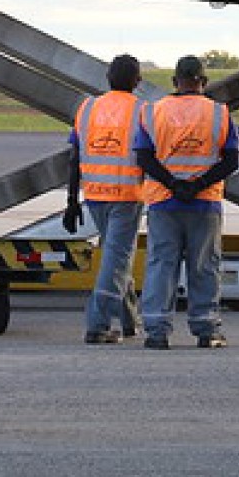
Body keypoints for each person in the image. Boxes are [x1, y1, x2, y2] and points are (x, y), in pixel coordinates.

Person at [133, 55, 239, 351]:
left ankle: (156, 331)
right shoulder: (219, 113)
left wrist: (173, 184)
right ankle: (206, 329)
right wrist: (198, 185)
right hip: (204, 203)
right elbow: (231, 160)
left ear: (174, 82)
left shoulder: (152, 112)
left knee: (160, 264)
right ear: (203, 82)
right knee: (204, 265)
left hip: (163, 202)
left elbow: (143, 157)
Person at [61, 54, 147, 345]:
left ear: (108, 78)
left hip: (95, 194)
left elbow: (74, 157)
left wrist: (72, 200)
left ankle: (130, 321)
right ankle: (97, 325)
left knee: (115, 256)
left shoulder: (88, 108)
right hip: (126, 195)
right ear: (137, 82)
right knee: (116, 260)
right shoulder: (143, 110)